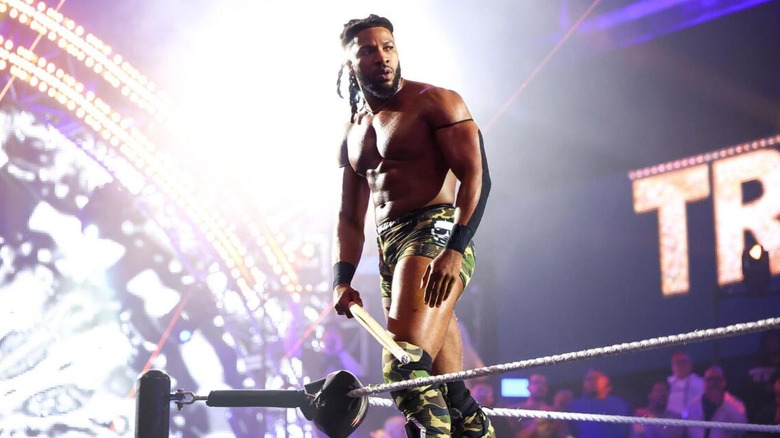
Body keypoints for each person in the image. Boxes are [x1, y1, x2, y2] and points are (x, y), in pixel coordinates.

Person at [331, 13, 493, 438]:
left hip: (435, 233)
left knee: (404, 368)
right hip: (391, 247)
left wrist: (455, 248)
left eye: (388, 47)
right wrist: (341, 279)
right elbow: (349, 217)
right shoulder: (352, 133)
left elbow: (477, 177)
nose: (382, 57)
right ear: (351, 63)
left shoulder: (435, 101)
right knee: (447, 389)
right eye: (368, 50)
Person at [685, 365, 748, 438]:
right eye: (709, 379)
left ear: (724, 382)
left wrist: (723, 404)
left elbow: (742, 428)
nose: (712, 383)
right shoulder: (692, 403)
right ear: (704, 382)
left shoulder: (736, 403)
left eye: (716, 379)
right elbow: (686, 427)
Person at [566, 368, 632, 438]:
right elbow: (565, 431)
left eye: (595, 378)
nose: (592, 381)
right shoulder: (574, 406)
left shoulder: (620, 405)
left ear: (606, 380)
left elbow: (633, 431)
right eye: (588, 379)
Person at [666, 350, 705, 418]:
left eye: (683, 362)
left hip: (694, 421)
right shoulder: (667, 383)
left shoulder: (701, 383)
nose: (680, 365)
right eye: (677, 363)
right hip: (670, 421)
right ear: (672, 366)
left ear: (690, 364)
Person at [514, 373, 553, 438]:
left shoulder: (553, 411)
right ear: (528, 387)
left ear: (546, 388)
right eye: (536, 382)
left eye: (543, 383)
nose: (540, 386)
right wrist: (537, 423)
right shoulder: (516, 410)